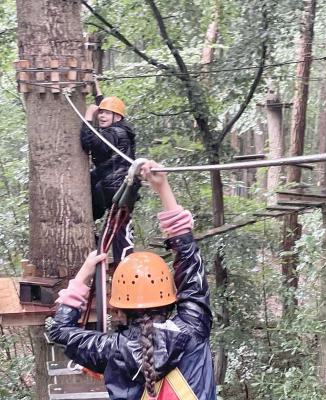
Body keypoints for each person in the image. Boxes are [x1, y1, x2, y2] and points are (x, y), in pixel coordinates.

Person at [47, 160, 216, 400]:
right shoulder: (193, 326)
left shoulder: (110, 350)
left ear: (119, 307)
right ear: (170, 297)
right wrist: (163, 187)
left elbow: (61, 330)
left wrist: (84, 273)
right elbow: (190, 263)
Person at [80, 79, 137, 264]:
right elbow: (108, 110)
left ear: (117, 117)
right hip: (114, 186)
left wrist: (89, 116)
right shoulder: (121, 127)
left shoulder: (114, 134)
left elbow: (90, 143)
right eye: (101, 113)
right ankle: (99, 247)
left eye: (107, 114)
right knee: (105, 220)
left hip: (116, 190)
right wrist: (98, 92)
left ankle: (124, 264)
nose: (102, 116)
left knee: (118, 228)